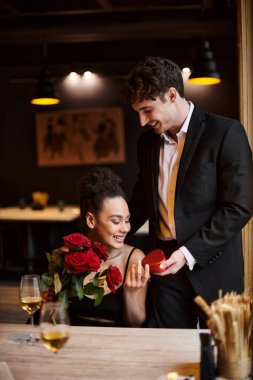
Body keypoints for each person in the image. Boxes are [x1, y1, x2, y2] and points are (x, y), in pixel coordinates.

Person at [121, 56, 253, 328]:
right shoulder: (146, 143)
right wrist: (108, 236)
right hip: (164, 269)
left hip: (214, 269)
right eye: (138, 112)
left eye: (147, 110)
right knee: (166, 354)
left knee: (219, 361)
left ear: (171, 95)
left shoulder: (226, 132)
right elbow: (141, 202)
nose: (143, 121)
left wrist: (188, 253)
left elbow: (239, 207)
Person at [67, 166, 150, 327]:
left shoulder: (134, 259)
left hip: (117, 347)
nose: (125, 228)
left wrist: (130, 294)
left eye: (127, 220)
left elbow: (135, 324)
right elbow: (56, 319)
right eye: (116, 221)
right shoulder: (67, 255)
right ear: (91, 220)